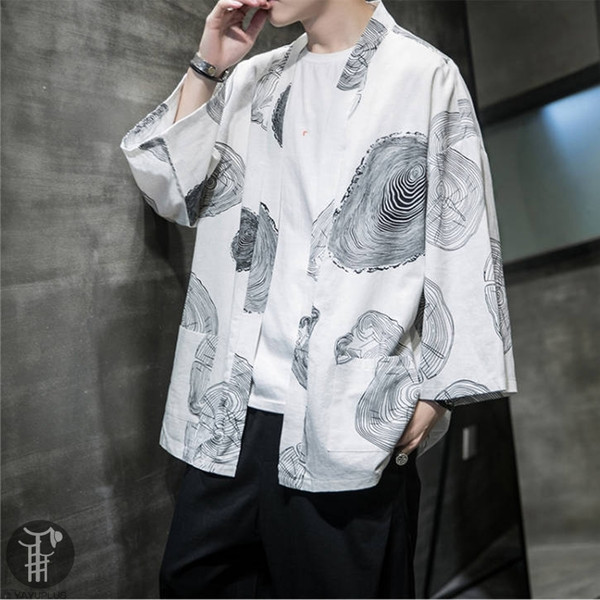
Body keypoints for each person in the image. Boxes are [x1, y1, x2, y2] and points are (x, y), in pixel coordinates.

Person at [120, 0, 517, 597]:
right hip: (231, 414)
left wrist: (437, 393)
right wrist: (209, 65)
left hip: (345, 417)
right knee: (191, 582)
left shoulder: (421, 74)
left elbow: (461, 240)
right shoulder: (254, 77)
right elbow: (170, 190)